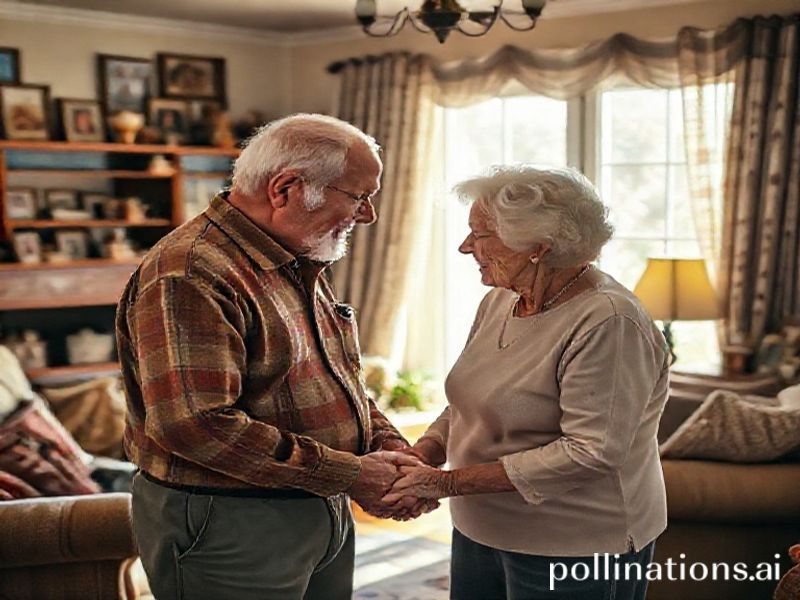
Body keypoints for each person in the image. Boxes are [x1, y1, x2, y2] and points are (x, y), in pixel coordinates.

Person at [115, 113, 429, 600]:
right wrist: (352, 473)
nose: (367, 215)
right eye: (360, 196)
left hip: (316, 501)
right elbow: (194, 425)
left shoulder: (295, 255)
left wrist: (387, 448)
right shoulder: (191, 271)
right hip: (230, 518)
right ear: (286, 188)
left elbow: (333, 377)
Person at [383, 165, 671, 600]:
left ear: (537, 246)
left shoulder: (609, 321)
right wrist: (425, 452)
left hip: (574, 542)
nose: (465, 247)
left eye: (479, 235)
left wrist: (444, 484)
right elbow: (466, 400)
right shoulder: (499, 300)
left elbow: (591, 452)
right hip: (480, 527)